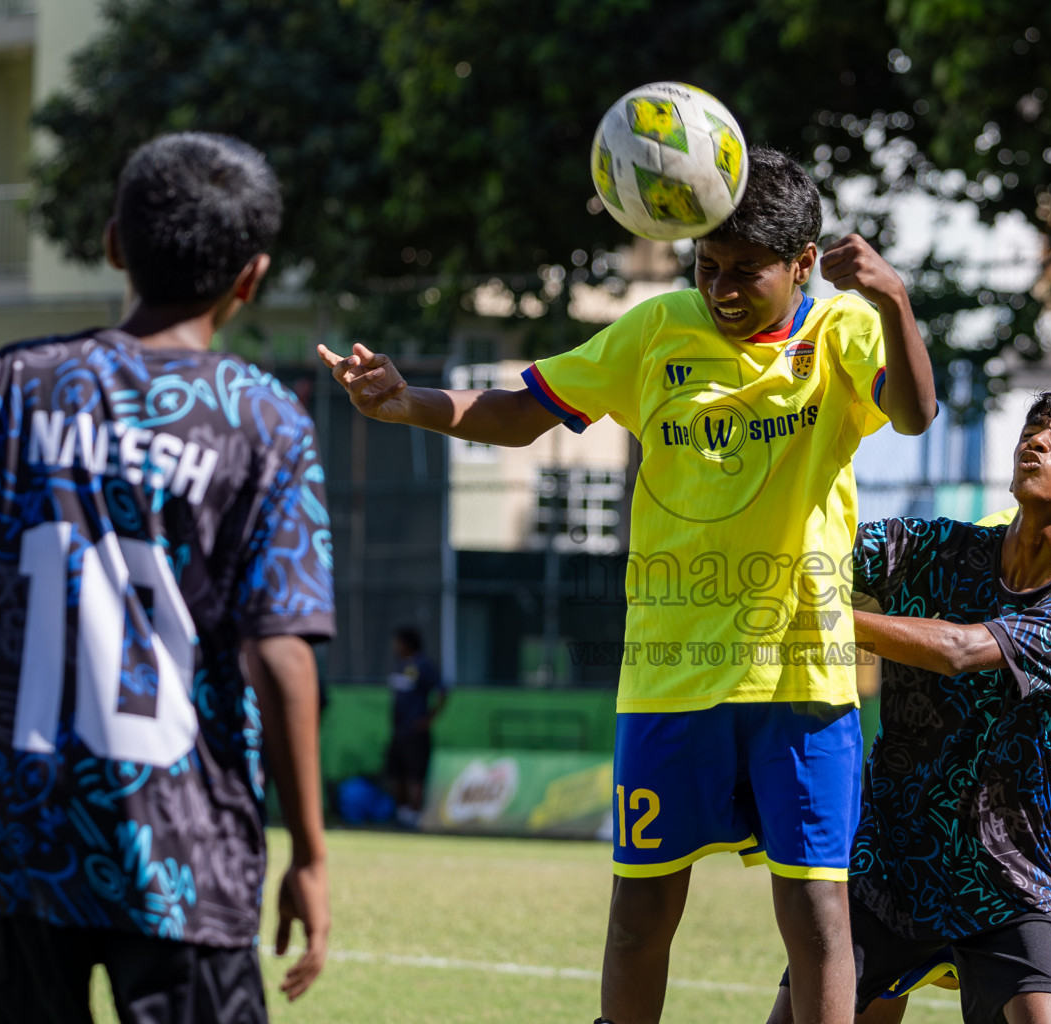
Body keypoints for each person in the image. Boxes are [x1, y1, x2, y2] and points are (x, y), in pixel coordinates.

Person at [320, 146, 938, 1024]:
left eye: (746, 272)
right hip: (668, 676)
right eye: (707, 265)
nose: (721, 288)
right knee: (640, 917)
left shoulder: (845, 332)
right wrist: (405, 401)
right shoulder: (654, 331)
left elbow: (914, 414)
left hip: (802, 677)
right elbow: (525, 414)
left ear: (803, 264)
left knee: (817, 915)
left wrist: (895, 299)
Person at [0, 133, 333, 1023]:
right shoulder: (263, 421)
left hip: (19, 841)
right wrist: (310, 854)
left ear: (113, 241)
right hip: (181, 848)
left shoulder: (14, 388)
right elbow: (282, 655)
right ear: (252, 276)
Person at [769, 384, 1051, 1024]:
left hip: (1004, 881)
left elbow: (964, 650)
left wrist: (825, 617)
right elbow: (814, 554)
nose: (1036, 442)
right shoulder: (932, 548)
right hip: (884, 869)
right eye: (1033, 429)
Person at [387, 625, 447, 826]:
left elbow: (443, 690)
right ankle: (402, 814)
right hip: (398, 731)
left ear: (407, 644)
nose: (395, 646)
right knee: (396, 774)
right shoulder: (402, 666)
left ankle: (415, 816)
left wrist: (429, 719)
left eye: (398, 642)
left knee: (415, 774)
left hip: (415, 732)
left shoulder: (424, 665)